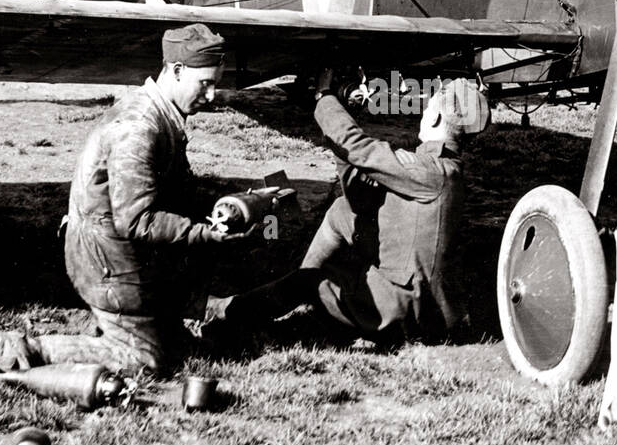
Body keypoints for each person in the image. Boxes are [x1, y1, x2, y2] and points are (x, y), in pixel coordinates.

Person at [0, 23, 246, 376]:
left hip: (120, 250)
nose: (212, 94)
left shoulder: (158, 113)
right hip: (105, 258)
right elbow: (137, 220)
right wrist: (203, 232)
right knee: (143, 361)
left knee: (172, 343)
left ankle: (134, 326)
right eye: (205, 82)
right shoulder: (140, 126)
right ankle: (30, 347)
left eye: (215, 82)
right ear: (176, 71)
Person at [204, 74, 490, 344]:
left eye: (428, 107)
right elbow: (360, 189)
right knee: (344, 210)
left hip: (401, 310)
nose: (424, 112)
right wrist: (346, 137)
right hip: (427, 304)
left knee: (310, 282)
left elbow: (360, 148)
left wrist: (324, 96)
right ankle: (299, 291)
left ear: (437, 117)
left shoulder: (431, 171)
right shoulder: (444, 169)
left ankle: (229, 309)